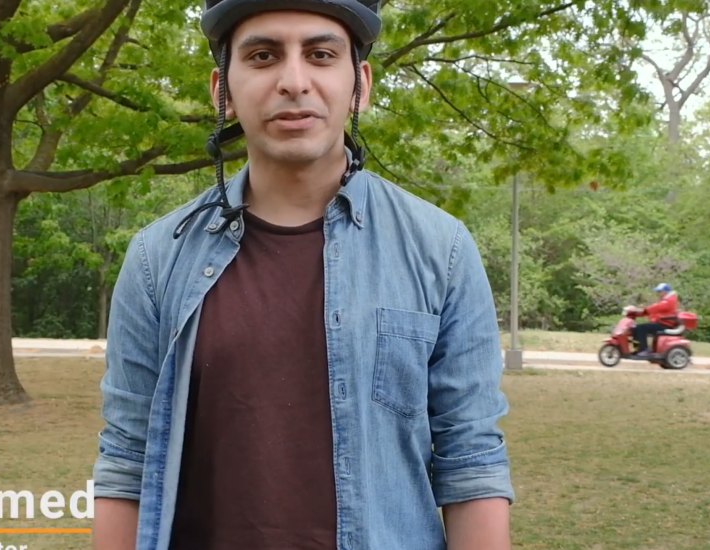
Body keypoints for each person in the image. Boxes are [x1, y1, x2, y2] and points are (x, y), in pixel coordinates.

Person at [91, 2, 514, 549]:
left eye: (320, 54)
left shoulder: (442, 249)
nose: (294, 81)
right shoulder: (156, 258)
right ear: (222, 89)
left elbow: (472, 463)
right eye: (263, 56)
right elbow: (127, 460)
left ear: (360, 83)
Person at [632, 283, 680, 357]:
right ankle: (638, 349)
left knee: (641, 328)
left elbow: (656, 308)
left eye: (659, 291)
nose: (658, 293)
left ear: (665, 291)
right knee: (635, 328)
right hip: (661, 323)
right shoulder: (665, 299)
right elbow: (653, 310)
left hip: (665, 324)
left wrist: (643, 310)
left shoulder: (669, 300)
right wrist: (638, 313)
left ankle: (644, 349)